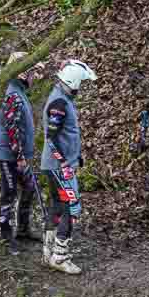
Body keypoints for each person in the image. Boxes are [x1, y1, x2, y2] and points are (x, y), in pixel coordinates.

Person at [40, 59, 97, 275]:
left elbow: (64, 136)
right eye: (80, 84)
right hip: (58, 166)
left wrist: (75, 158)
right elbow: (51, 138)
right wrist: (64, 163)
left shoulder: (62, 99)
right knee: (72, 207)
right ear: (72, 81)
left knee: (57, 205)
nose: (80, 88)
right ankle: (60, 256)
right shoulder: (59, 104)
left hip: (56, 164)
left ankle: (48, 252)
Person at [0, 52, 44, 255]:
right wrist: (20, 157)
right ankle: (6, 237)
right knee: (9, 194)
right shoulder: (12, 94)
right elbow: (12, 129)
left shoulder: (19, 92)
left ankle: (23, 230)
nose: (34, 77)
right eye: (32, 73)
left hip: (19, 156)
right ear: (22, 74)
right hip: (9, 157)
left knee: (30, 188)